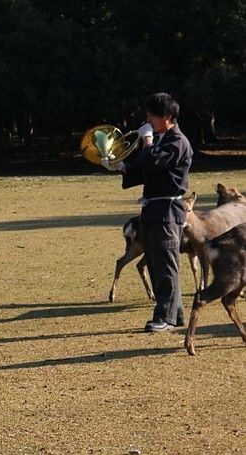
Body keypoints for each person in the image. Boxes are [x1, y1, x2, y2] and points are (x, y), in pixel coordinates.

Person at [102, 92, 193, 332]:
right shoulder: (163, 140)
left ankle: (165, 318)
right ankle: (176, 315)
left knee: (166, 266)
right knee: (155, 264)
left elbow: (153, 162)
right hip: (152, 210)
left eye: (152, 114)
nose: (147, 119)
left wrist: (148, 142)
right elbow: (145, 171)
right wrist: (121, 166)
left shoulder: (177, 142)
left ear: (166, 116)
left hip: (167, 212)